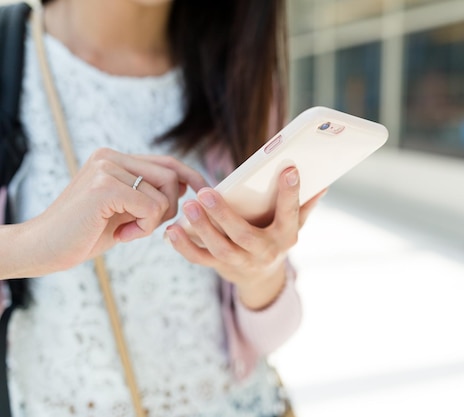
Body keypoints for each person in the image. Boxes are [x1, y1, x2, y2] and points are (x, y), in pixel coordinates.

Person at [0, 0, 323, 416]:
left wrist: (260, 273)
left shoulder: (238, 73)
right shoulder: (13, 58)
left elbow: (271, 335)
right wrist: (34, 243)